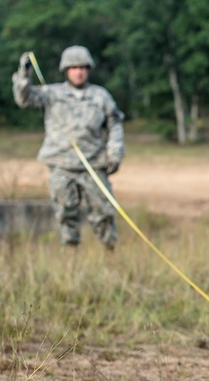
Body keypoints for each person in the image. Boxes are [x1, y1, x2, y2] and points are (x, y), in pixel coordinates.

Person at [12, 45, 125, 249]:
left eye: (83, 67)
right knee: (65, 213)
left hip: (93, 164)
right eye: (74, 68)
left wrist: (115, 154)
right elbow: (24, 99)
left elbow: (115, 124)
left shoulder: (100, 96)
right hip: (61, 164)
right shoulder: (52, 93)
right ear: (66, 70)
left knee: (103, 212)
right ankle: (71, 255)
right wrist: (23, 73)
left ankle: (111, 253)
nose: (79, 71)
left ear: (88, 69)